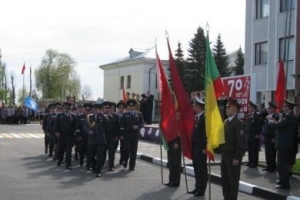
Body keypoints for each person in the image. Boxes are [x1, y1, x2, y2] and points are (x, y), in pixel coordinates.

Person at [220, 98, 246, 200]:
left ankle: (232, 198)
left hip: (232, 156)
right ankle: (226, 197)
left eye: (229, 107)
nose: (226, 109)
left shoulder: (238, 123)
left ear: (235, 109)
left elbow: (240, 143)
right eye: (226, 107)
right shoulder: (226, 121)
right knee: (225, 179)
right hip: (224, 154)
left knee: (233, 180)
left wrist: (237, 157)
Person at [269, 99, 298, 189]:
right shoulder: (287, 116)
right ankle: (282, 180)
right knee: (281, 164)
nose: (283, 107)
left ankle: (285, 184)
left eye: (285, 106)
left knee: (282, 164)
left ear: (288, 107)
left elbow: (277, 126)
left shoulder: (289, 117)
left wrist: (270, 121)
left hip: (283, 143)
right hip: (282, 143)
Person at [187, 97, 207, 196]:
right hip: (195, 146)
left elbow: (207, 134)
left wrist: (205, 147)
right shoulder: (197, 117)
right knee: (196, 167)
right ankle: (197, 187)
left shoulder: (205, 118)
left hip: (201, 147)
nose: (193, 107)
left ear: (198, 107)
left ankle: (201, 188)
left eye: (194, 105)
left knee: (201, 168)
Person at [120, 99, 144, 170]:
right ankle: (125, 160)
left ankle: (132, 165)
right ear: (127, 107)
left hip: (135, 135)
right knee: (127, 149)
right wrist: (121, 135)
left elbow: (142, 123)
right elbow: (122, 125)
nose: (130, 107)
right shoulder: (125, 114)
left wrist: (138, 126)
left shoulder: (139, 114)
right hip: (127, 134)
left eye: (132, 106)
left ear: (135, 106)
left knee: (134, 150)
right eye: (129, 106)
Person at [55, 102, 76, 170]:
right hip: (61, 135)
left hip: (69, 136)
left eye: (68, 108)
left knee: (68, 150)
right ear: (63, 108)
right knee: (60, 149)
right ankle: (60, 160)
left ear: (70, 109)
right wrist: (57, 132)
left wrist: (74, 133)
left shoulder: (73, 116)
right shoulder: (59, 115)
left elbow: (74, 126)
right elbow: (56, 125)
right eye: (66, 108)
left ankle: (68, 164)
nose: (67, 109)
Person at [261, 102, 279, 172]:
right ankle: (268, 166)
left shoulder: (276, 117)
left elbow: (276, 128)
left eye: (270, 108)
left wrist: (274, 138)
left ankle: (272, 166)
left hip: (272, 138)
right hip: (267, 137)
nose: (268, 109)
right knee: (267, 152)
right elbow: (265, 126)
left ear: (273, 109)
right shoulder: (267, 117)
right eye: (268, 108)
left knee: (272, 153)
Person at [245, 101, 262, 168]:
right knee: (249, 148)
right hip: (249, 134)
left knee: (254, 149)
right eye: (249, 107)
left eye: (250, 107)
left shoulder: (257, 115)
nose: (249, 108)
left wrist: (258, 134)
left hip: (254, 135)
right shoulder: (249, 115)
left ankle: (254, 162)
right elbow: (247, 124)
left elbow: (259, 125)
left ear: (253, 108)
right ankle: (250, 161)